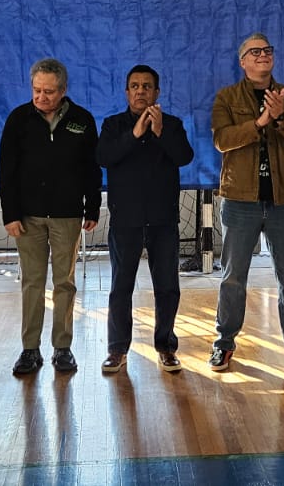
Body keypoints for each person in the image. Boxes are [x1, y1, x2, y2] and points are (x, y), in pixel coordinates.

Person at [209, 33, 284, 372]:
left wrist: (282, 117)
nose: (262, 55)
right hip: (240, 199)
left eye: (267, 50)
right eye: (254, 52)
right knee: (233, 277)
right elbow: (222, 140)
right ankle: (224, 343)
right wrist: (259, 122)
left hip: (282, 201)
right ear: (242, 61)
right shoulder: (227, 97)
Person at [0, 58, 100, 375]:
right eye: (37, 90)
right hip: (27, 216)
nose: (41, 97)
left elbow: (92, 168)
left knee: (64, 282)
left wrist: (92, 207)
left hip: (67, 214)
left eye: (49, 92)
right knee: (32, 281)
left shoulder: (82, 120)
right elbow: (6, 170)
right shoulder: (19, 119)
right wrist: (10, 213)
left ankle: (62, 347)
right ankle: (30, 349)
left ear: (63, 90)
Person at [97, 65, 194, 374]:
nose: (141, 91)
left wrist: (159, 132)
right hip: (125, 219)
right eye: (135, 86)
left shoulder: (172, 124)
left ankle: (166, 346)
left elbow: (184, 157)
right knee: (121, 286)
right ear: (127, 92)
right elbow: (104, 157)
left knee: (167, 286)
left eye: (147, 86)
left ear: (157, 92)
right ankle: (117, 349)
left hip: (163, 219)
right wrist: (135, 134)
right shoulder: (113, 125)